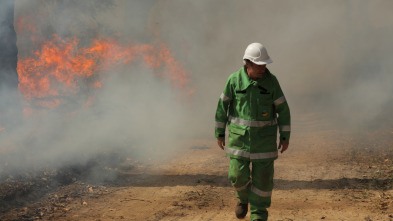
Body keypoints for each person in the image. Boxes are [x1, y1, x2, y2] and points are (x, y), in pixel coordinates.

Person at [214, 42, 291, 221]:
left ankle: (258, 216)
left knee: (263, 184)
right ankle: (243, 199)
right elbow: (221, 107)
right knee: (237, 176)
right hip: (238, 142)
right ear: (247, 63)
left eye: (265, 65)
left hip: (264, 143)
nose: (263, 68)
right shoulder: (234, 81)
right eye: (259, 65)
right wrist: (219, 133)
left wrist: (285, 137)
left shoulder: (272, 83)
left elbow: (283, 110)